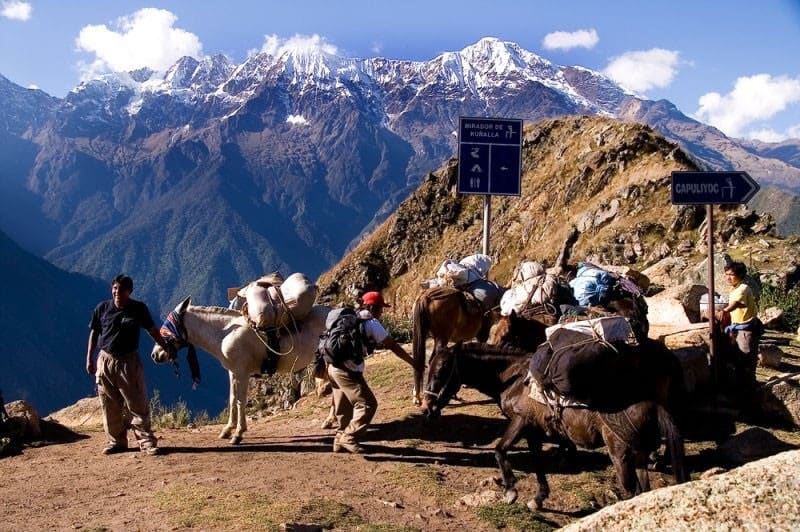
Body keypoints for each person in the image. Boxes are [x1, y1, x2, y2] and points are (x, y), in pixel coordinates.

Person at [86, 274, 173, 456]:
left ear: (130, 291)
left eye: (122, 289)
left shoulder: (138, 309)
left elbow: (152, 330)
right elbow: (94, 333)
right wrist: (90, 358)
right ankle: (116, 441)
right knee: (109, 404)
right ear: (112, 289)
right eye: (115, 288)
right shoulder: (102, 308)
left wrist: (165, 346)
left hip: (128, 361)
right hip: (105, 360)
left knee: (137, 403)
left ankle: (146, 442)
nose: (118, 292)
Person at [326, 291, 416, 454]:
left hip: (332, 367)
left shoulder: (348, 317)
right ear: (374, 308)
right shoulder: (371, 322)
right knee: (367, 404)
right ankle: (349, 437)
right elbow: (392, 345)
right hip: (347, 370)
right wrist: (412, 362)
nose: (382, 312)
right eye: (381, 308)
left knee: (343, 407)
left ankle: (339, 440)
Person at [715, 261, 763, 400]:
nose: (728, 277)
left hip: (746, 330)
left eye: (732, 275)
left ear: (740, 275)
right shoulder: (734, 289)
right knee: (738, 360)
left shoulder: (743, 288)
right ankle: (742, 391)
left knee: (746, 361)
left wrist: (723, 311)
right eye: (727, 274)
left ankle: (749, 396)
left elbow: (735, 304)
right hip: (737, 328)